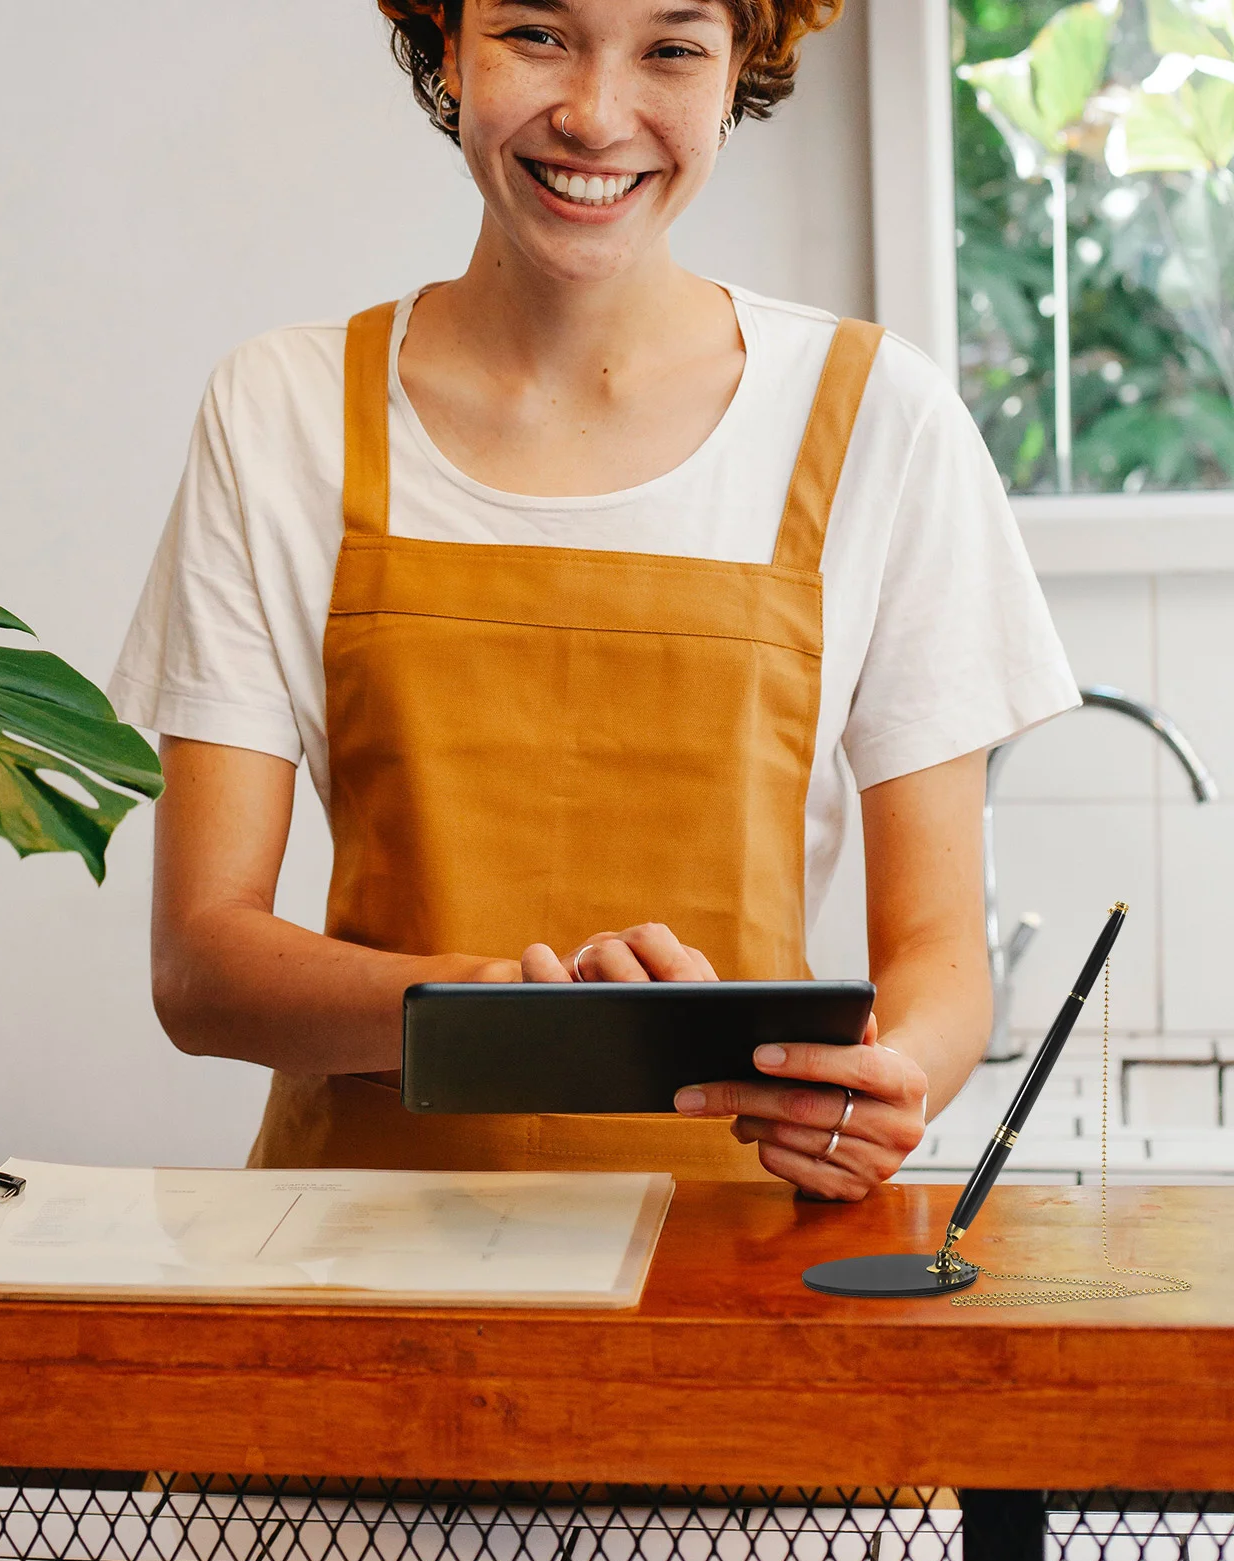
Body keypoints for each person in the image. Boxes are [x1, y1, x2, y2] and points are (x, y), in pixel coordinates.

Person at [111, 0, 1078, 1200]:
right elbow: (201, 967)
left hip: (731, 1255)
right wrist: (509, 1012)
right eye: (535, 34)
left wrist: (883, 1080)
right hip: (356, 1253)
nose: (596, 114)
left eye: (671, 49)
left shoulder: (880, 419)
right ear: (446, 45)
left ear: (739, 73)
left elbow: (938, 961)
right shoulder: (282, 410)